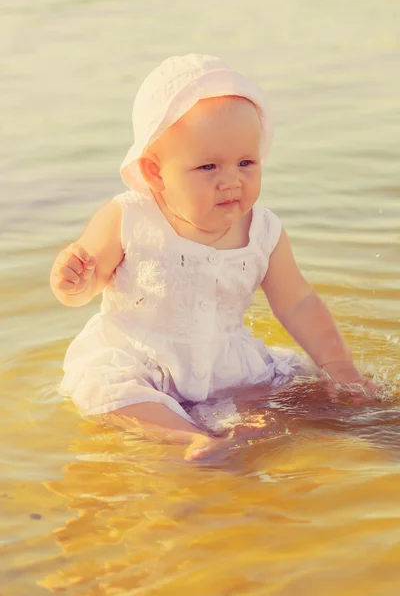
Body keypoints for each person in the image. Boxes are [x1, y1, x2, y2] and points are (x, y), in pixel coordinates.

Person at [50, 54, 378, 461]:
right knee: (108, 392)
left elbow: (297, 302)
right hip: (141, 361)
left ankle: (246, 427)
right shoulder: (130, 216)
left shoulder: (263, 231)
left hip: (224, 366)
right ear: (155, 172)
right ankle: (189, 438)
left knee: (308, 396)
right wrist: (74, 280)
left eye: (246, 163)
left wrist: (339, 368)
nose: (231, 181)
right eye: (208, 166)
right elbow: (85, 285)